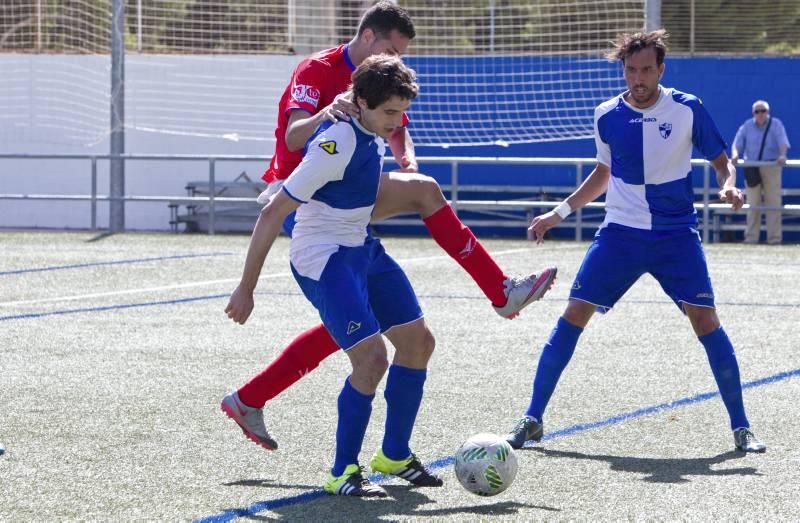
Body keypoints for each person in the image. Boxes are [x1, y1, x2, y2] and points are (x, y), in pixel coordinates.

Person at [221, 0, 556, 451]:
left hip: (350, 182)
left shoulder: (382, 82)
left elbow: (396, 125)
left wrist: (405, 157)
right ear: (366, 38)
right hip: (310, 191)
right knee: (361, 323)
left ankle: (252, 398)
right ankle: (501, 293)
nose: (398, 61)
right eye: (393, 50)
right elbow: (294, 137)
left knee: (366, 314)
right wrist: (329, 112)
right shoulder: (319, 70)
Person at [504, 30, 766, 454]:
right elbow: (603, 173)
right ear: (623, 70)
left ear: (661, 69)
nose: (638, 78)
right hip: (620, 234)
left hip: (675, 235)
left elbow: (722, 161)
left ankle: (742, 428)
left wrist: (730, 185)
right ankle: (532, 418)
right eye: (631, 70)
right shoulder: (607, 114)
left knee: (706, 322)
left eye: (646, 70)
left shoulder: (686, 108)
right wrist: (559, 213)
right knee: (574, 313)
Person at [226, 55, 442, 497]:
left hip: (360, 245)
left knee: (419, 342)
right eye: (389, 113)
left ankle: (395, 455)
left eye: (402, 112)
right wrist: (246, 288)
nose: (397, 121)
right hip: (322, 257)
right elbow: (272, 213)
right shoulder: (336, 143)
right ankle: (343, 471)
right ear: (361, 102)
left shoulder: (370, 124)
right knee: (372, 359)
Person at [731, 100, 791, 244]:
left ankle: (774, 239)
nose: (760, 114)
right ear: (753, 113)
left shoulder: (776, 124)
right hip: (752, 167)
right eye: (757, 111)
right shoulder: (747, 126)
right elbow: (737, 144)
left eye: (763, 110)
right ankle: (751, 238)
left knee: (773, 204)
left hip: (771, 166)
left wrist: (782, 155)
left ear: (768, 112)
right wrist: (734, 154)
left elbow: (783, 143)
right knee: (752, 204)